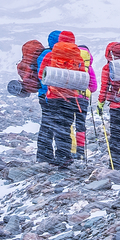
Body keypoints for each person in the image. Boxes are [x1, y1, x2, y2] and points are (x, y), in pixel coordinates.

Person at [37, 31, 83, 169]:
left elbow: (41, 75)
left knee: (53, 125)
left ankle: (47, 156)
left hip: (53, 97)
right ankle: (64, 156)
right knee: (65, 126)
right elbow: (81, 76)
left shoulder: (50, 55)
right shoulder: (77, 56)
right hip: (70, 97)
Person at [98, 42, 120, 172]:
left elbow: (104, 87)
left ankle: (115, 164)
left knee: (116, 136)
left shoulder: (108, 68)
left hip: (115, 106)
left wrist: (100, 103)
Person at [35, 30, 62, 165]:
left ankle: (44, 155)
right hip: (49, 95)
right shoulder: (50, 55)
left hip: (45, 95)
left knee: (47, 124)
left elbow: (42, 76)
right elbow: (44, 77)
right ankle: (45, 156)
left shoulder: (45, 54)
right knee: (50, 125)